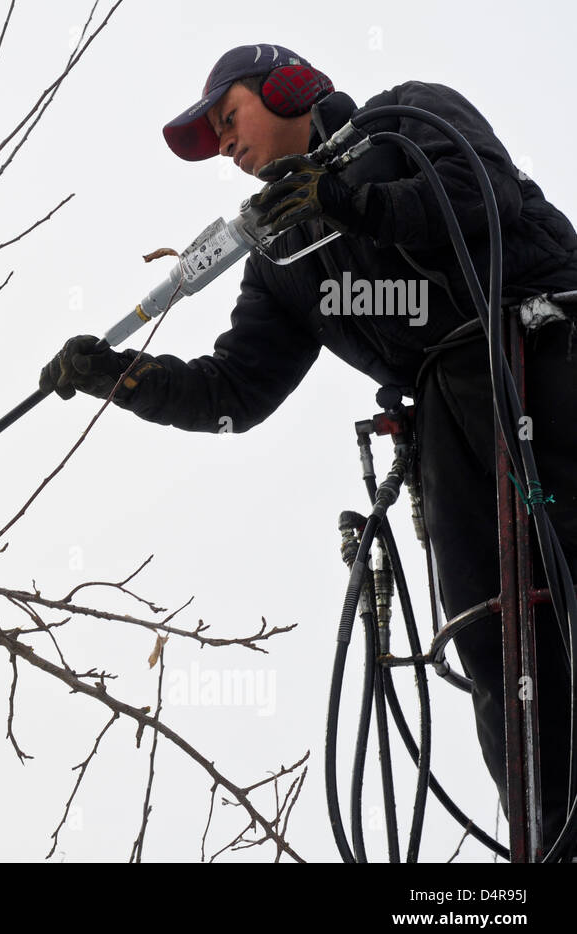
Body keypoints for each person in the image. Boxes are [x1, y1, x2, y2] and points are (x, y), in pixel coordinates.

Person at [39, 44, 577, 854]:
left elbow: (479, 197)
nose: (224, 143)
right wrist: (123, 376)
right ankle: (552, 838)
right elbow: (235, 391)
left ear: (288, 86)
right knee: (496, 637)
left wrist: (354, 203)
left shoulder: (406, 119)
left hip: (548, 353)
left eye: (230, 117)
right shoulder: (286, 260)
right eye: (215, 137)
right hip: (451, 423)